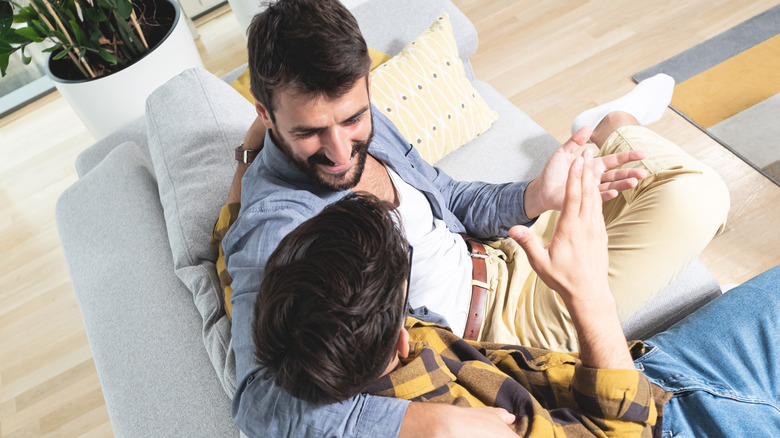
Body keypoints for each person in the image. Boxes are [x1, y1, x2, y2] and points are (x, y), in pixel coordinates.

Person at [222, 0, 730, 435]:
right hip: (500, 323)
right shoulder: (277, 229)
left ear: (367, 86)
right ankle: (617, 123)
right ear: (264, 113)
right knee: (697, 197)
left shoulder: (368, 128)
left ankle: (607, 125)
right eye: (311, 131)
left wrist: (534, 196)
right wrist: (421, 424)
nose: (339, 150)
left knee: (617, 182)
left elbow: (446, 194)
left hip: (505, 250)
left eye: (352, 118)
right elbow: (258, 406)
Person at [252, 171, 779, 437]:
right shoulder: (467, 427)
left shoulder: (308, 337)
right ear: (400, 335)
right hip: (666, 421)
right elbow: (627, 431)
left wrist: (252, 155)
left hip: (652, 374)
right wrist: (588, 293)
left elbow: (233, 276)